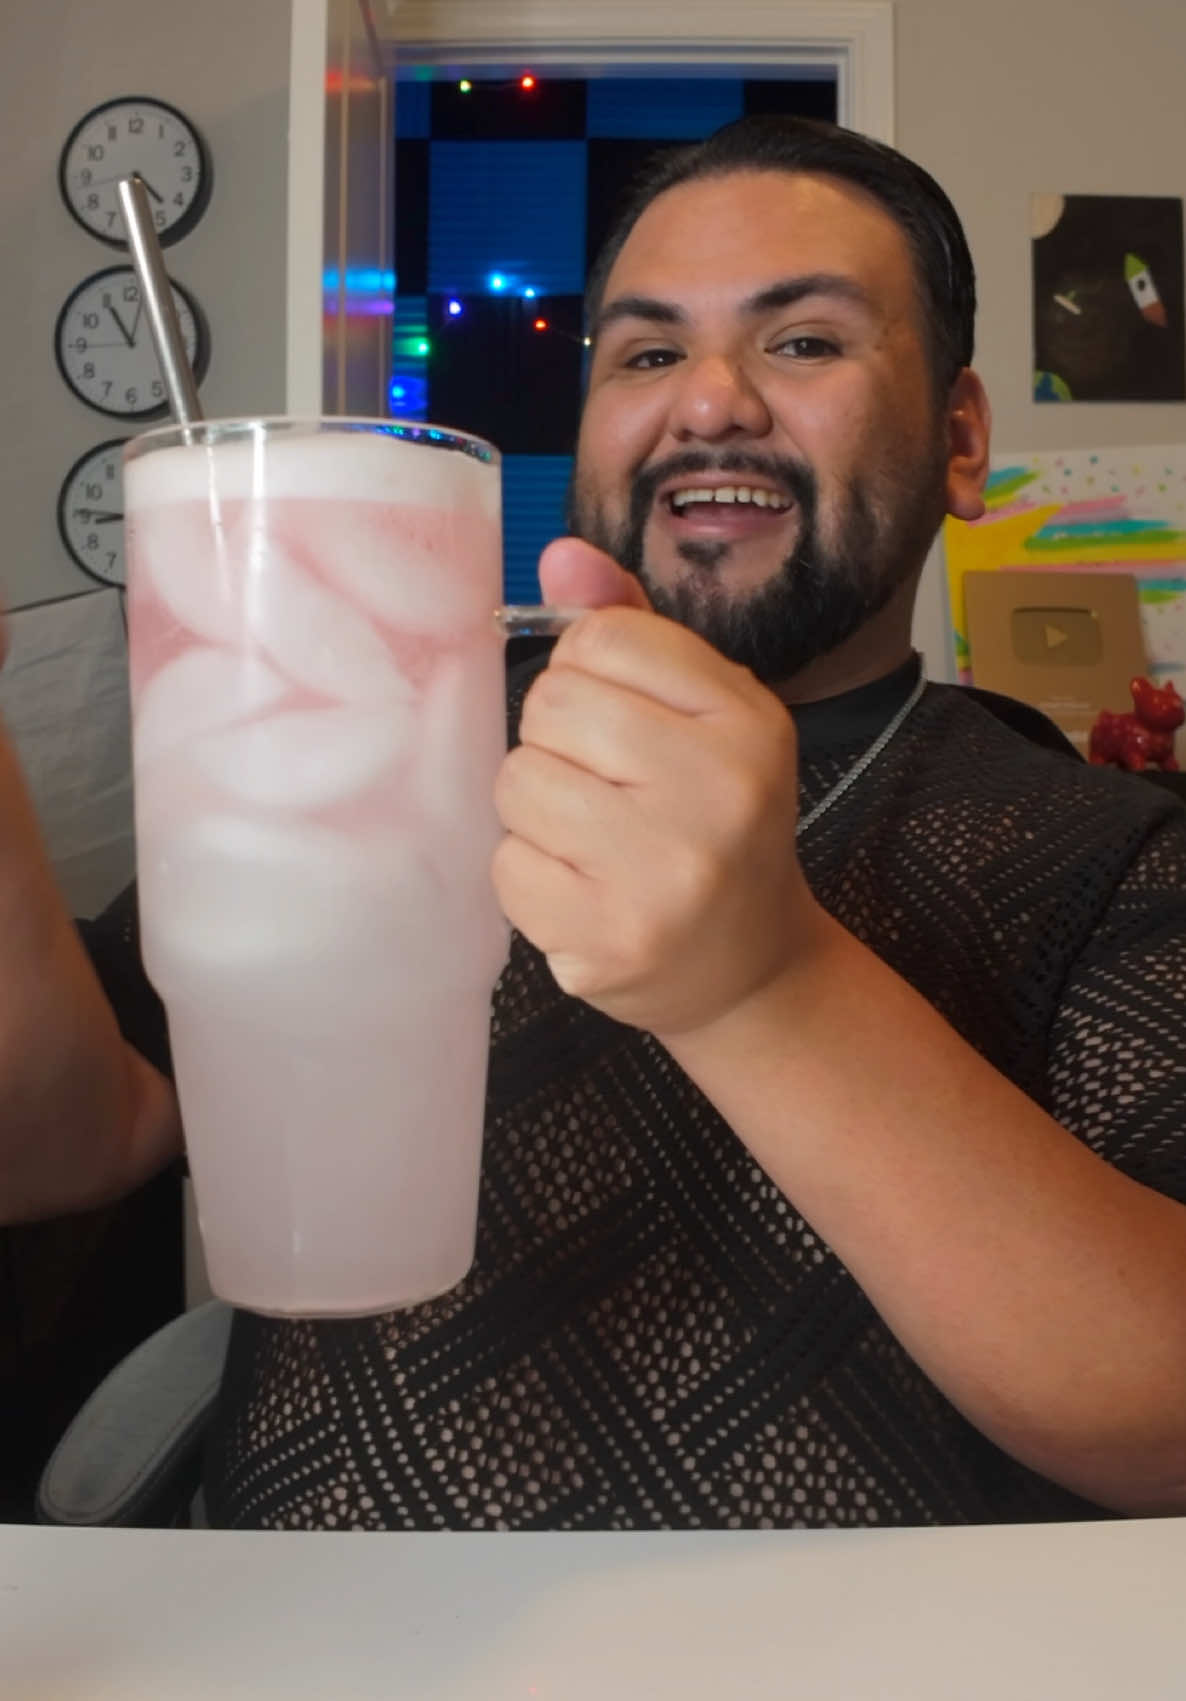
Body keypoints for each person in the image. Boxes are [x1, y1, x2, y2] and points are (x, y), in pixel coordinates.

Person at [4, 115, 1186, 1530]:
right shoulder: (384, 729)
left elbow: (1161, 1430)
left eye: (800, 341)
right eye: (642, 352)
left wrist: (763, 983)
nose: (707, 403)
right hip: (304, 1645)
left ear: (957, 437)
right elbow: (72, 1136)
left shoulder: (1104, 845)